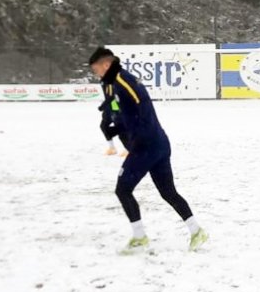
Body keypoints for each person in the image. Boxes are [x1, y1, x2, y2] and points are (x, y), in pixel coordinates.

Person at [89, 47, 208, 253]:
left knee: (123, 189)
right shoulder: (114, 82)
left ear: (106, 65)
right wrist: (110, 119)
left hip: (147, 147)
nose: (95, 73)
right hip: (158, 143)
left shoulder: (123, 81)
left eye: (96, 69)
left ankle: (139, 237)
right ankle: (197, 231)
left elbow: (141, 109)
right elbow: (123, 109)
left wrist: (125, 132)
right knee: (168, 192)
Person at [99, 83, 129, 157]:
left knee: (120, 128)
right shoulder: (103, 81)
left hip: (115, 107)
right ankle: (112, 148)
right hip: (109, 107)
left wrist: (102, 106)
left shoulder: (109, 80)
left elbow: (111, 96)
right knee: (103, 126)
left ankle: (129, 149)